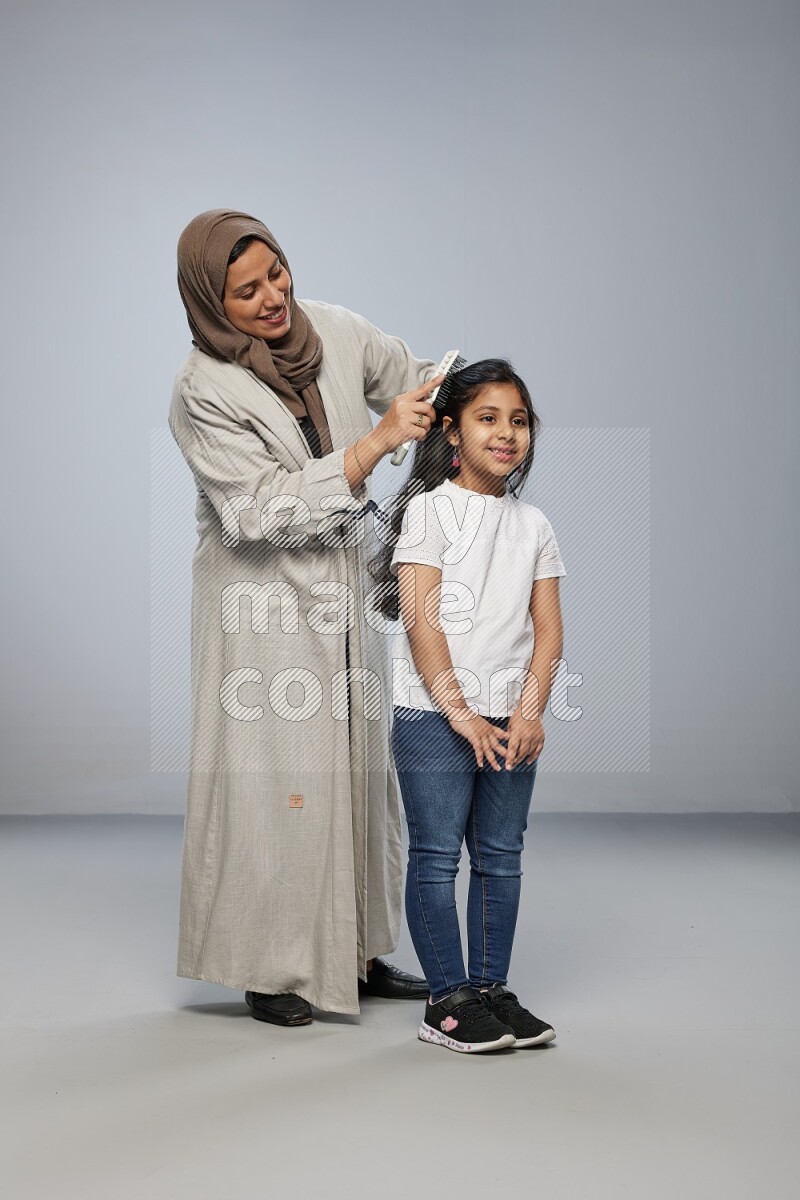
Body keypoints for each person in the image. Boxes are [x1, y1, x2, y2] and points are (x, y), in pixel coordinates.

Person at [169, 208, 444, 1025]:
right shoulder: (201, 390)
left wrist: (461, 395)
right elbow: (256, 513)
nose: (271, 299)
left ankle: (353, 953)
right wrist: (372, 448)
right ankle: (272, 968)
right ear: (211, 302)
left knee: (358, 777)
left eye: (275, 274)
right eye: (245, 291)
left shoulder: (334, 329)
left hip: (345, 593)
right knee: (278, 789)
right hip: (264, 611)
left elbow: (413, 376)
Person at [369, 359, 566, 1053]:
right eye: (489, 418)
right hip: (435, 718)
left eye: (518, 421)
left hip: (512, 721)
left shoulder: (534, 524)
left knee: (501, 857)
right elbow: (424, 622)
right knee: (435, 856)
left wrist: (531, 712)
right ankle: (446, 1000)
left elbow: (548, 633)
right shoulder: (429, 510)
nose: (506, 433)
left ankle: (488, 990)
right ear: (452, 432)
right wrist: (461, 713)